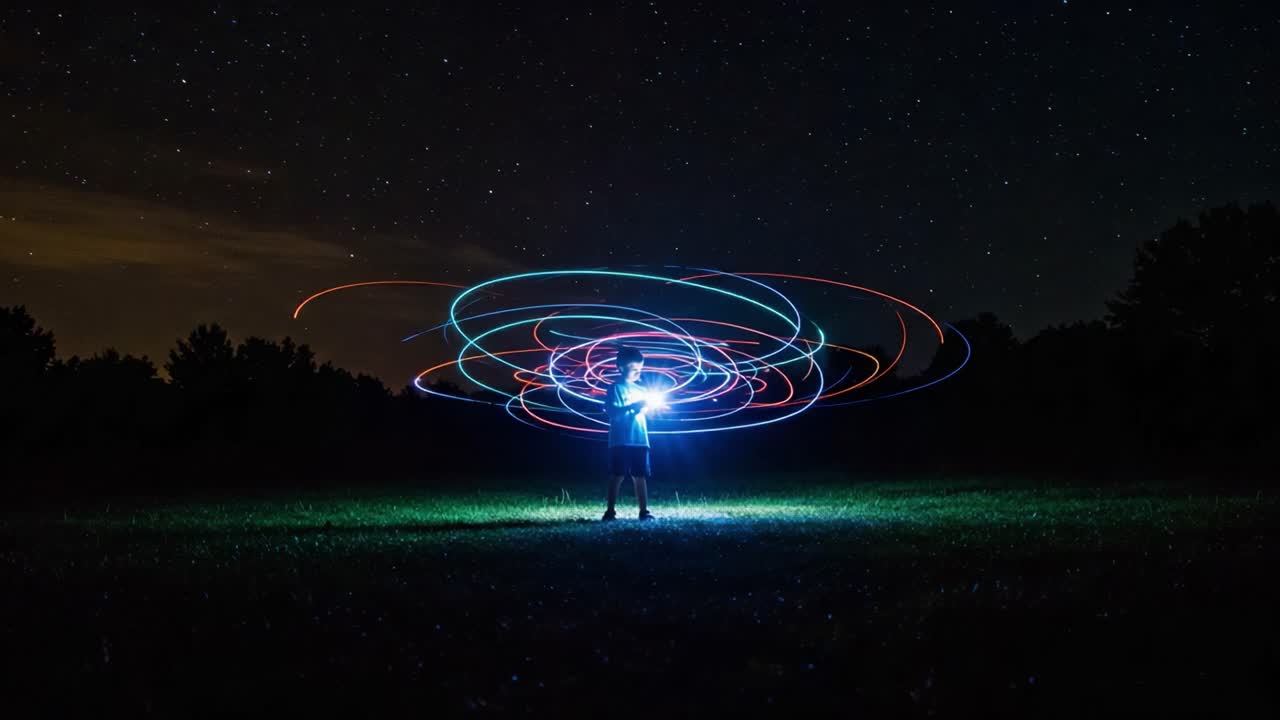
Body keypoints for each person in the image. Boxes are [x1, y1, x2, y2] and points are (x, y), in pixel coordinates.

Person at [601, 346, 662, 521]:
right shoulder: (614, 388)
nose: (638, 373)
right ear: (621, 367)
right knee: (617, 475)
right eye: (634, 369)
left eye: (640, 369)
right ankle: (610, 511)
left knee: (640, 475)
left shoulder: (642, 390)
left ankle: (644, 511)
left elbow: (645, 413)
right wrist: (632, 407)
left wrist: (649, 408)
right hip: (620, 440)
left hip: (640, 439)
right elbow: (612, 413)